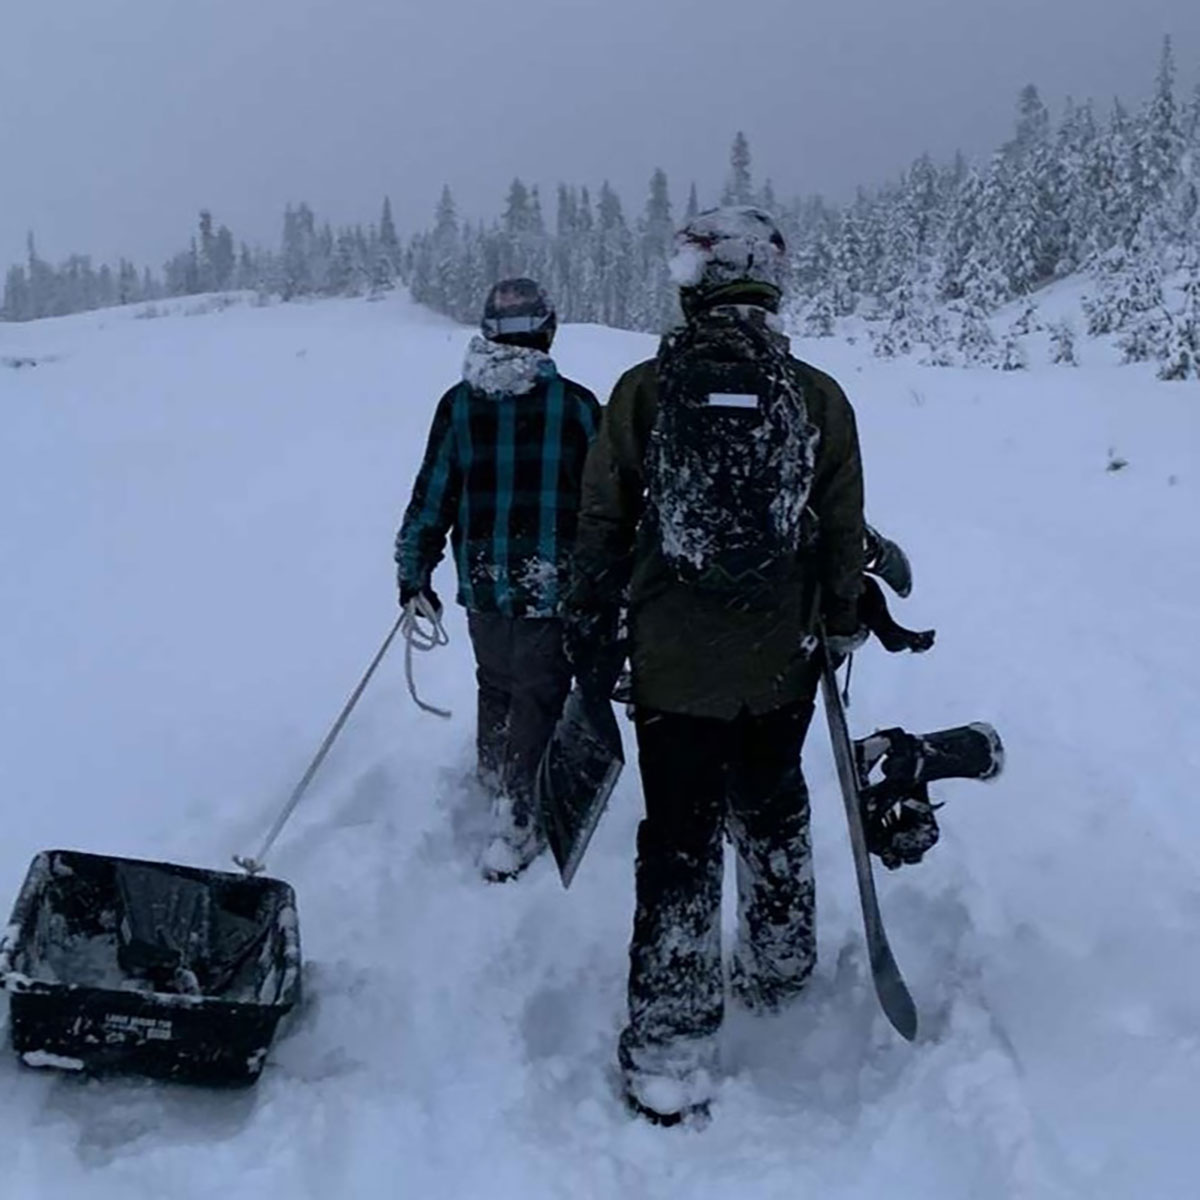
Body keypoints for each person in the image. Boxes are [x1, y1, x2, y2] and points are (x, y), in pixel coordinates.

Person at [567, 207, 867, 1125]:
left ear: (693, 282)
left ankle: (668, 1044)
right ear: (770, 283)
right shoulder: (816, 396)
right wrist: (843, 625)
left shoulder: (642, 390)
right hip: (781, 663)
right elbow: (843, 533)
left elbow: (603, 522)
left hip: (670, 665)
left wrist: (593, 622)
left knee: (678, 840)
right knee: (773, 806)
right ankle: (779, 968)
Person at [395, 278, 601, 882]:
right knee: (539, 693)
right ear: (547, 331)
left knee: (499, 683)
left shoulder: (457, 405)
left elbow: (431, 499)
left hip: (483, 585)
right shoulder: (578, 407)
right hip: (551, 584)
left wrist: (415, 573)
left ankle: (496, 775)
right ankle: (516, 821)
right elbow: (609, 504)